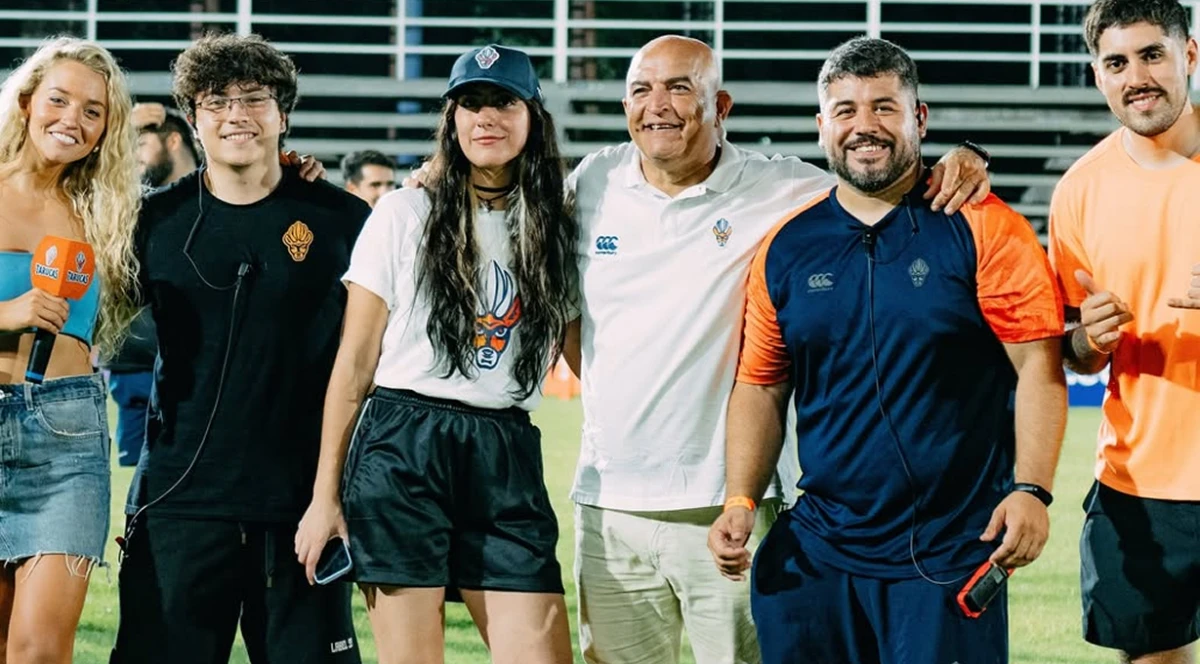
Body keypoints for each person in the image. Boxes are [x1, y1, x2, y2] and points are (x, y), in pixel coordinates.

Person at [561, 35, 992, 664]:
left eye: (681, 88)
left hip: (729, 507)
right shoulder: (593, 181)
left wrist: (970, 155)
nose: (658, 105)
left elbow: (878, 172)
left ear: (721, 105)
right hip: (607, 505)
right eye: (641, 89)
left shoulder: (783, 188)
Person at [708, 36, 1067, 664]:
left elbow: (1038, 365)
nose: (863, 126)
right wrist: (741, 497)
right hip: (818, 553)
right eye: (844, 110)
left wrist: (1032, 490)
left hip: (948, 549)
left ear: (919, 118)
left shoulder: (983, 225)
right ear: (821, 127)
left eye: (884, 107)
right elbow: (761, 385)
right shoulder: (787, 247)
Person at [294, 44, 576, 664]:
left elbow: (585, 352)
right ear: (451, 119)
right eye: (469, 104)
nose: (486, 117)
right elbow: (355, 364)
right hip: (404, 444)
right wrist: (325, 497)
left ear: (532, 115)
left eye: (503, 101)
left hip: (505, 448)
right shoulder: (403, 211)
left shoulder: (556, 222)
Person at [110, 33, 368, 664]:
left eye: (254, 98)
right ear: (192, 120)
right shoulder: (152, 223)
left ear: (283, 113)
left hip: (302, 509)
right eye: (216, 101)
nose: (236, 115)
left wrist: (331, 497)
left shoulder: (344, 219)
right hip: (179, 504)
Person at [1048, 1, 1200, 662]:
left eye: (1151, 54)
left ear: (1189, 55)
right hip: (1142, 485)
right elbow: (1071, 353)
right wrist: (1090, 341)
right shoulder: (1079, 192)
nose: (1135, 75)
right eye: (1117, 62)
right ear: (1098, 75)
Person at [0, 37, 141, 664]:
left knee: (40, 651)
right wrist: (9, 313)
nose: (72, 120)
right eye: (59, 100)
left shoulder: (108, 212)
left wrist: (290, 171)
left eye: (93, 111)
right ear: (27, 102)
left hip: (68, 436)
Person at [101, 103, 198, 468]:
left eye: (140, 144)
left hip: (197, 370)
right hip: (134, 365)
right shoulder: (129, 204)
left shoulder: (220, 200)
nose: (134, 157)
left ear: (173, 140)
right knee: (131, 479)